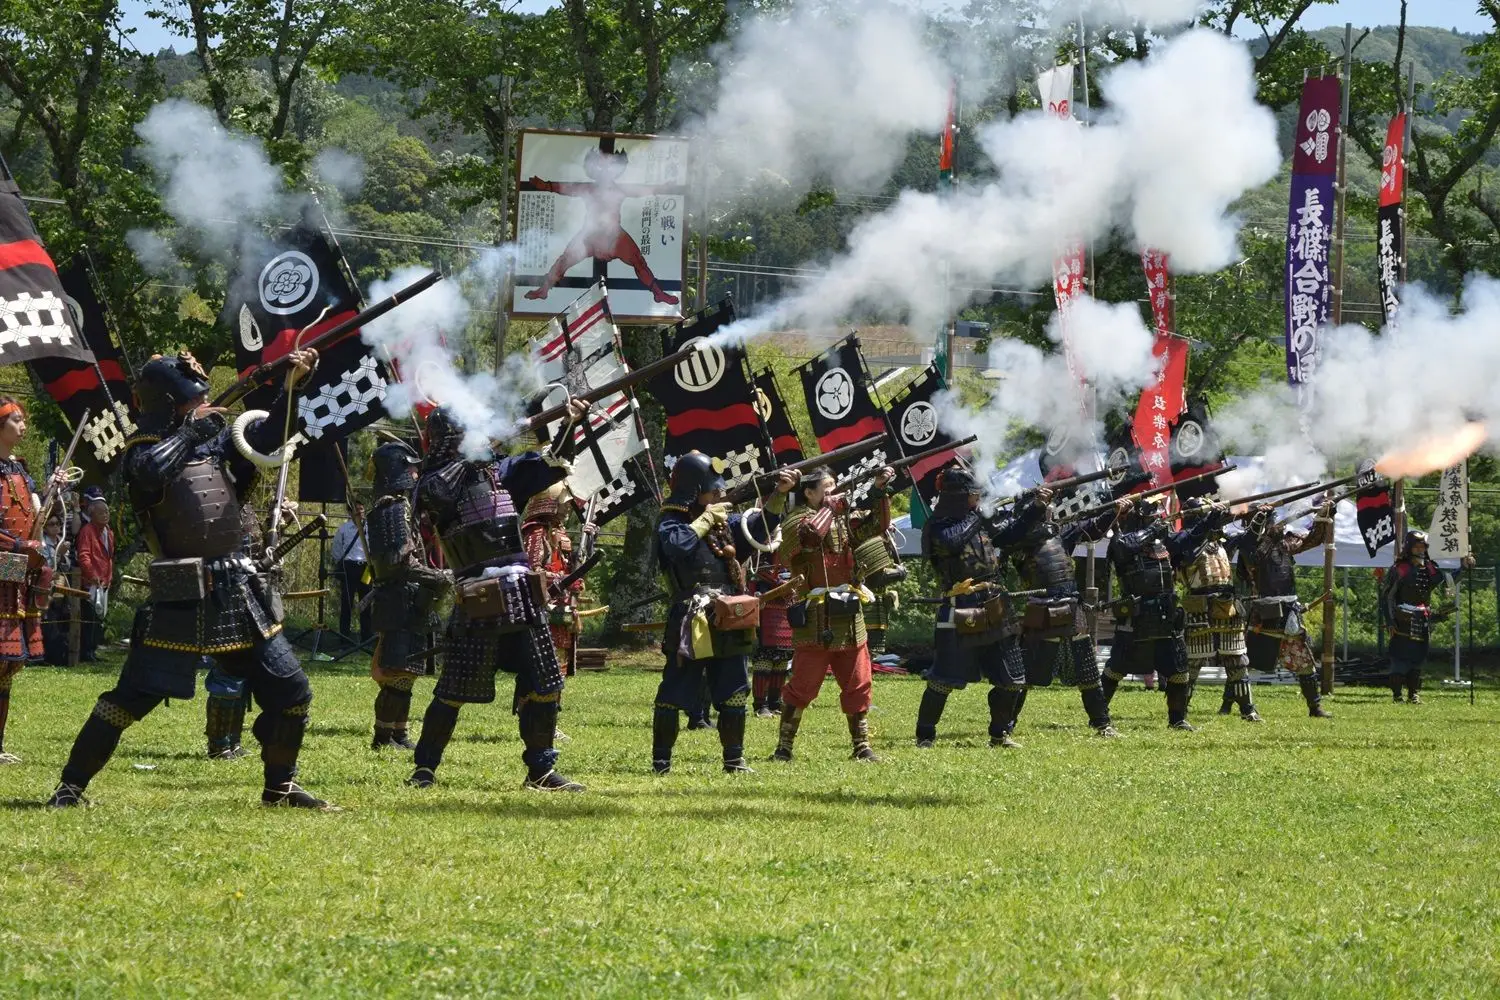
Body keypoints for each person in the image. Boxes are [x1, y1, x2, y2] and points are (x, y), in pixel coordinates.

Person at [47, 350, 337, 809]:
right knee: (128, 701)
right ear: (169, 402)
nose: (202, 405)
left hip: (237, 591)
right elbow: (149, 473)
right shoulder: (142, 448)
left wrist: (290, 389)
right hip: (181, 594)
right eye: (193, 400)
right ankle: (70, 787)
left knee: (292, 691)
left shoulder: (213, 444)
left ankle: (280, 788)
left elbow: (267, 439)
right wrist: (190, 433)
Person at [404, 400, 590, 792]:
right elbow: (434, 497)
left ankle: (541, 771)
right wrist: (472, 455)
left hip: (521, 592)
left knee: (545, 684)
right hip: (477, 595)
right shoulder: (436, 479)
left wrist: (570, 424)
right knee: (453, 691)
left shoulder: (498, 471)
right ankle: (424, 769)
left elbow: (552, 464)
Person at [652, 454, 793, 774]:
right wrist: (705, 519)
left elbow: (758, 530)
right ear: (693, 490)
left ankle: (734, 760)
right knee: (674, 690)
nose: (719, 494)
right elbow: (676, 547)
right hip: (691, 616)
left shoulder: (722, 523)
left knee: (734, 689)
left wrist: (779, 494)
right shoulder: (670, 519)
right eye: (712, 490)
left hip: (729, 614)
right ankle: (661, 762)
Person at [772, 463, 895, 763]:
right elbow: (811, 536)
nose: (833, 493)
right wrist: (830, 508)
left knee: (859, 682)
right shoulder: (795, 520)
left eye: (835, 488)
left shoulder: (842, 520)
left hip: (849, 614)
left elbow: (877, 525)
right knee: (803, 685)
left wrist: (879, 490)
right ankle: (784, 747)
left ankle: (861, 746)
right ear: (809, 492)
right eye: (826, 489)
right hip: (815, 616)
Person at [915, 467, 1042, 748]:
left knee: (1012, 677)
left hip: (994, 602)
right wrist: (979, 516)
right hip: (960, 604)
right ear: (959, 496)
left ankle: (999, 734)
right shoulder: (938, 525)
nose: (977, 498)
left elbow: (1010, 536)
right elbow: (952, 542)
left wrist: (1036, 508)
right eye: (973, 494)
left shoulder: (977, 520)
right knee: (942, 679)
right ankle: (925, 736)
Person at [1100, 496, 1227, 730]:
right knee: (1116, 668)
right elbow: (1125, 547)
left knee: (1178, 670)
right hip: (1137, 616)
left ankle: (1177, 719)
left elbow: (1190, 537)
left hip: (1166, 615)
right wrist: (1151, 530)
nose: (1159, 519)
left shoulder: (1163, 542)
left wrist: (1211, 518)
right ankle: (1099, 715)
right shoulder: (1121, 539)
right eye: (1154, 516)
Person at [1008, 491, 1125, 739]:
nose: (1049, 511)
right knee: (1025, 673)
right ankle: (1005, 725)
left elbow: (1093, 528)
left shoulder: (1059, 534)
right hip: (1041, 609)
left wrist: (1114, 510)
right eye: (1043, 509)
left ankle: (1102, 724)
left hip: (1072, 608)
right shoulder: (1018, 538)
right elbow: (1018, 534)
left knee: (1088, 672)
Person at [365, 439, 449, 750]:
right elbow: (398, 563)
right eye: (411, 468)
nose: (415, 474)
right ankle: (384, 737)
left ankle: (398, 733)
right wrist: (438, 576)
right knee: (396, 674)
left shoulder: (397, 506)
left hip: (407, 598)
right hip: (398, 598)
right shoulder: (393, 508)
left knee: (407, 673)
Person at [0, 397, 69, 764]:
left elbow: (38, 516)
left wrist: (54, 490)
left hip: (18, 570)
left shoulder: (20, 470)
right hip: (4, 564)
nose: (23, 425)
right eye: (16, 420)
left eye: (23, 419)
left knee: (7, 665)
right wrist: (20, 545)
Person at [524, 149, 679, 305]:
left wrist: (661, 188)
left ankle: (658, 293)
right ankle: (544, 290)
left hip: (614, 236)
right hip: (590, 236)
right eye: (601, 165)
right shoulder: (589, 188)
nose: (605, 170)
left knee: (638, 261)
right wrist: (546, 186)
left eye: (610, 165)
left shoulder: (620, 189)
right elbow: (566, 188)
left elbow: (641, 190)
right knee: (564, 260)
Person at [1237, 500, 1334, 718]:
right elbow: (1254, 558)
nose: (1277, 526)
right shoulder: (1250, 546)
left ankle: (1315, 707)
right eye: (1271, 523)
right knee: (1244, 662)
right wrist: (1268, 534)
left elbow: (1314, 539)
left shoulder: (1284, 544)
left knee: (1304, 661)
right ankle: (1230, 704)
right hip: (1264, 614)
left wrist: (1324, 514)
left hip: (1289, 612)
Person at [1380, 530, 1470, 705]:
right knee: (1400, 658)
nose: (1420, 550)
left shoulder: (1430, 567)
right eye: (1417, 547)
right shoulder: (1399, 569)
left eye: (1423, 547)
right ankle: (1397, 695)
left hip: (1423, 619)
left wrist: (1464, 568)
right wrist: (1390, 621)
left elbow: (1446, 583)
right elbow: (1387, 596)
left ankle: (1413, 694)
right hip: (1403, 619)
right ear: (1409, 548)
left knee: (1418, 659)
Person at [751, 559, 794, 719]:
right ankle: (760, 705)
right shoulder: (755, 580)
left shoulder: (789, 576)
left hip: (785, 623)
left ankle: (775, 703)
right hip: (765, 625)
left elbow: (792, 594)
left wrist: (783, 583)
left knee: (780, 667)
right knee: (763, 667)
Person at [75, 493, 114, 662]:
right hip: (91, 582)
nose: (105, 515)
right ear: (92, 514)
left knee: (98, 619)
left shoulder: (109, 532)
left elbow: (109, 557)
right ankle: (87, 652)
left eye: (107, 512)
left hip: (104, 580)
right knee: (89, 618)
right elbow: (83, 556)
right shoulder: (87, 531)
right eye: (101, 512)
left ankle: (93, 650)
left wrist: (109, 577)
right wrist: (92, 575)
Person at [331, 501, 371, 648]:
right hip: (349, 567)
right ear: (350, 513)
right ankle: (344, 639)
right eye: (357, 510)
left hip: (366, 568)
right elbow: (336, 549)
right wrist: (343, 563)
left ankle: (366, 638)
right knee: (347, 603)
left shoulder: (369, 528)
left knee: (366, 603)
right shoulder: (344, 529)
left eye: (362, 509)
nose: (360, 512)